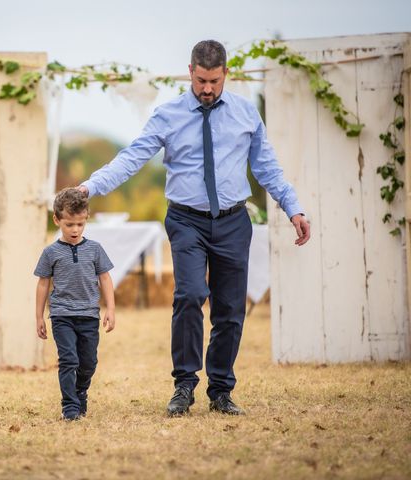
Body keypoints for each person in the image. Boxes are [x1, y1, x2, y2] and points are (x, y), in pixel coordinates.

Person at [78, 40, 310, 416]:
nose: (207, 89)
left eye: (214, 81)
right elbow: (132, 158)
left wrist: (293, 208)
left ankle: (220, 390)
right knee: (188, 295)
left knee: (231, 310)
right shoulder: (167, 115)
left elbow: (267, 168)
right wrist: (90, 186)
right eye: (201, 80)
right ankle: (184, 385)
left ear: (226, 75)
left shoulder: (246, 114)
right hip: (186, 220)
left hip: (234, 221)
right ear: (190, 72)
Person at [34, 187, 116, 421]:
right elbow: (42, 285)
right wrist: (39, 316)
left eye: (80, 224)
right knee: (69, 360)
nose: (75, 229)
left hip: (89, 315)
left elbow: (105, 278)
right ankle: (70, 405)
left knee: (88, 362)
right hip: (62, 315)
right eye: (69, 224)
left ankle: (80, 391)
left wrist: (110, 308)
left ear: (86, 220)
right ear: (57, 220)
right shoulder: (50, 253)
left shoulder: (95, 249)